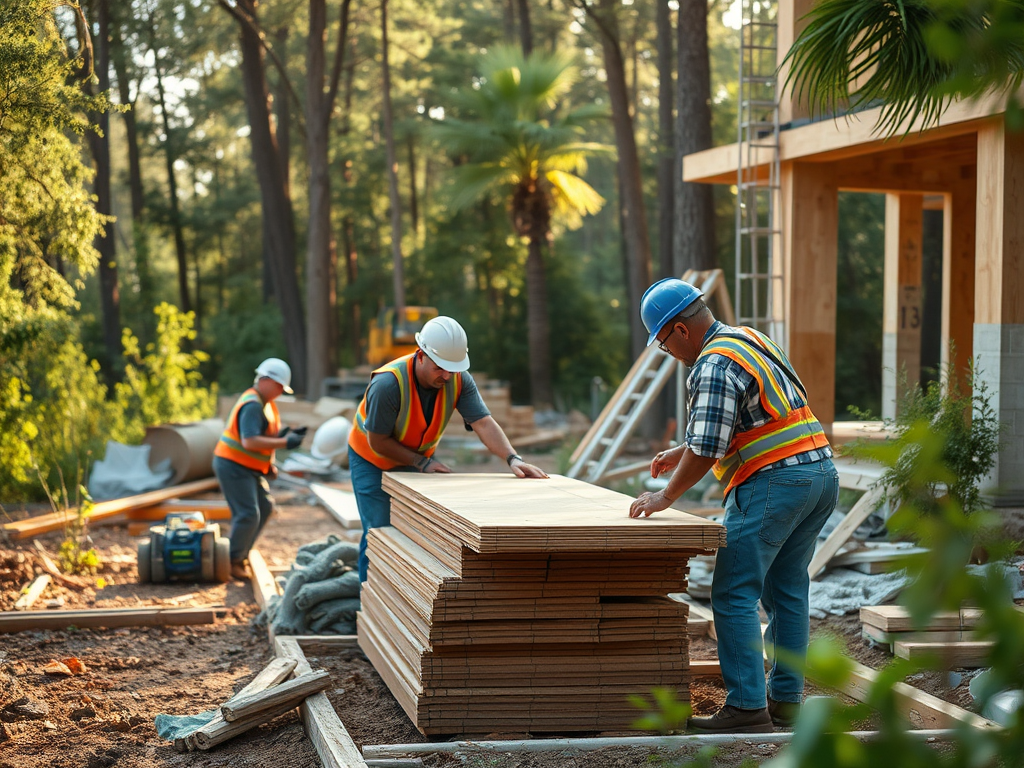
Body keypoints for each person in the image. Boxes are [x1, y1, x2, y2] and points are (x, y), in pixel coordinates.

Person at [629, 278, 838, 734]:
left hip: (775, 482)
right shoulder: (747, 339)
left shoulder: (711, 364)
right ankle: (786, 701)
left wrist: (665, 496)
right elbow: (744, 418)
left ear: (681, 330)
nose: (666, 351)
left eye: (663, 342)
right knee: (786, 592)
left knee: (731, 592)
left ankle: (746, 708)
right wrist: (679, 451)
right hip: (819, 474)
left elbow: (707, 448)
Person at [348, 315, 548, 582]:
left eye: (452, 368)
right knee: (380, 531)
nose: (446, 375)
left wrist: (512, 458)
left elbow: (483, 423)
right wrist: (422, 463)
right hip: (371, 458)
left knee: (415, 529)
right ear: (421, 355)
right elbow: (378, 441)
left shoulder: (459, 380)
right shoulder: (388, 384)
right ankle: (368, 600)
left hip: (416, 457)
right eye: (440, 367)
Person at [214, 358, 307, 580]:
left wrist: (281, 440)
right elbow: (250, 442)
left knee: (264, 508)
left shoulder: (265, 403)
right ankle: (233, 560)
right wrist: (285, 443)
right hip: (233, 465)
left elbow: (264, 436)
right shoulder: (253, 405)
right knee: (247, 514)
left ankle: (242, 552)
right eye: (278, 387)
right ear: (265, 380)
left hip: (246, 466)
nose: (280, 392)